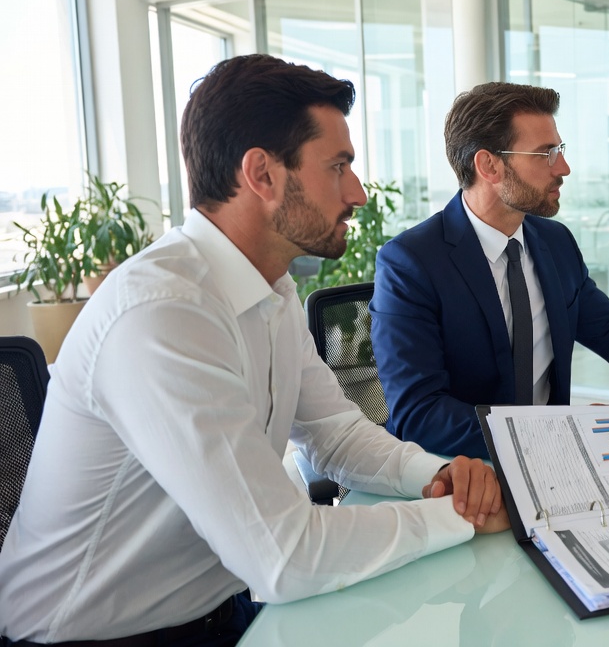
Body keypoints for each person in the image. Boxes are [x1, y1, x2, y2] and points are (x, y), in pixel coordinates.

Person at [0, 55, 508, 646]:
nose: (359, 193)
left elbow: (334, 435)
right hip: (85, 637)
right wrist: (459, 517)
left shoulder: (270, 286)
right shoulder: (161, 312)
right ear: (262, 175)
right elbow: (283, 555)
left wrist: (440, 475)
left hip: (220, 610)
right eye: (338, 166)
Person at [372, 81, 609, 458]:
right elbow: (419, 416)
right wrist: (557, 429)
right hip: (462, 472)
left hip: (555, 467)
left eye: (560, 150)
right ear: (488, 165)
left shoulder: (554, 243)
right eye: (546, 154)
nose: (564, 168)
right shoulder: (411, 263)